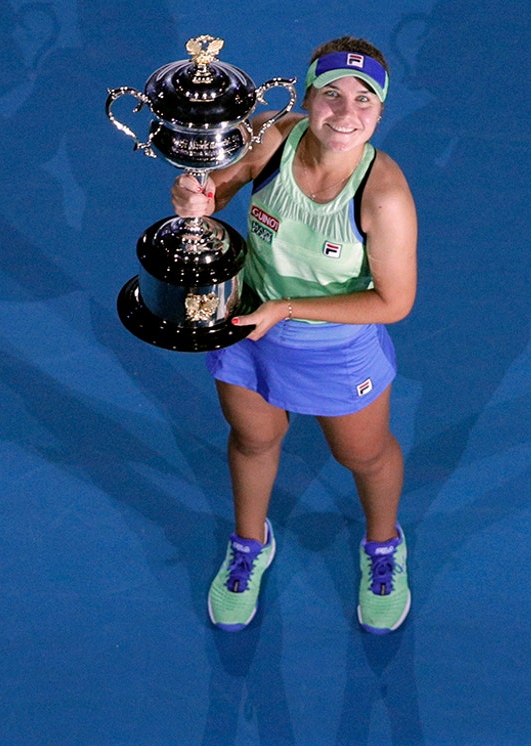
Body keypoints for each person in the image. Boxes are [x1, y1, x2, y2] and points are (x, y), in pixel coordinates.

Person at [171, 37, 417, 633]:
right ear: (306, 99)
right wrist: (193, 198)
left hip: (333, 346)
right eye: (331, 94)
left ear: (381, 113)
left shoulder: (383, 197)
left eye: (365, 99)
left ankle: (383, 548)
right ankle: (249, 545)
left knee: (361, 454)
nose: (346, 111)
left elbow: (394, 302)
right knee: (254, 440)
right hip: (247, 327)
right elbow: (217, 190)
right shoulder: (272, 137)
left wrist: (286, 308)